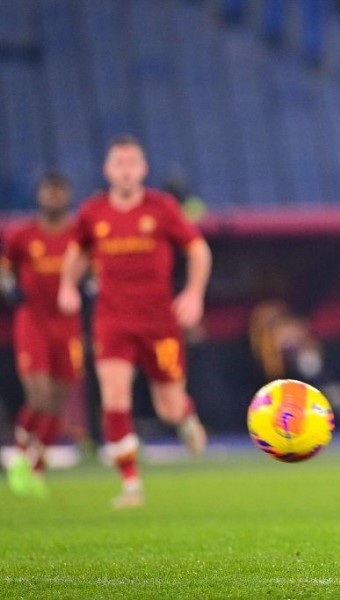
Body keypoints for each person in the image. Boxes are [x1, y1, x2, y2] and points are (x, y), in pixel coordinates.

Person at [58, 135, 213, 508]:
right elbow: (76, 252)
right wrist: (67, 286)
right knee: (114, 396)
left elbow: (198, 250)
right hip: (112, 321)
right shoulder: (93, 212)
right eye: (119, 163)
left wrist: (193, 294)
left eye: (132, 163)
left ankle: (186, 417)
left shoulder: (162, 208)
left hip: (159, 323)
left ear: (143, 169)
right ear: (108, 170)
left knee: (169, 406)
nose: (126, 171)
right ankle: (130, 485)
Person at [1, 173, 83, 498]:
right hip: (32, 321)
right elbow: (5, 268)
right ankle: (20, 454)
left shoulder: (78, 235)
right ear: (39, 196)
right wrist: (10, 288)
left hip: (67, 325)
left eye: (58, 192)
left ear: (67, 196)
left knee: (58, 400)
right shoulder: (23, 235)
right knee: (38, 394)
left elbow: (93, 266)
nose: (53, 197)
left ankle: (37, 469)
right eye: (48, 192)